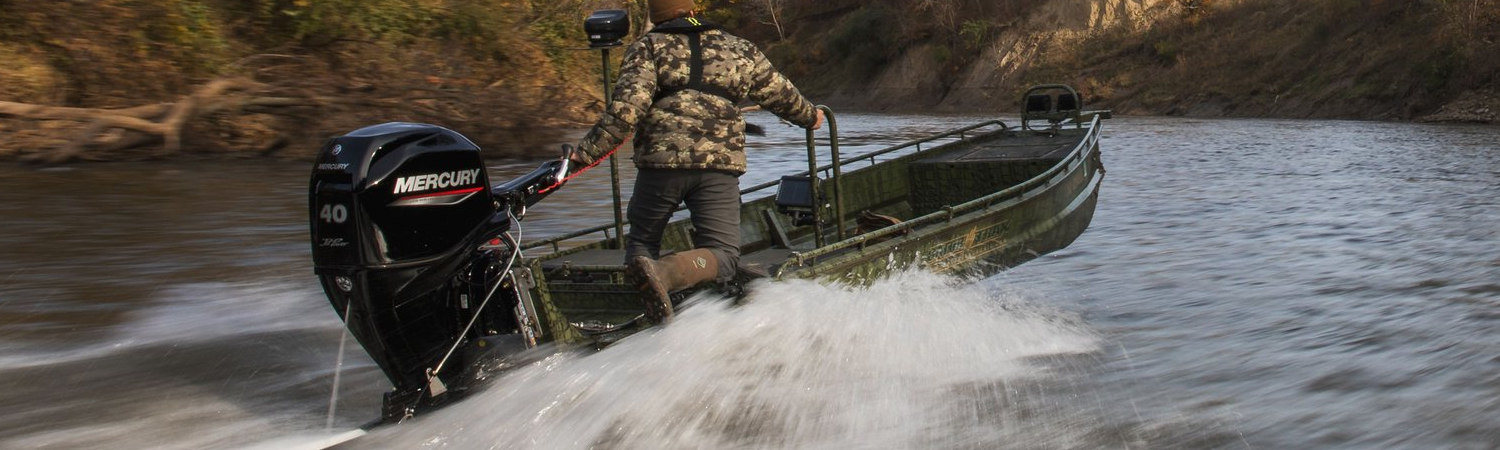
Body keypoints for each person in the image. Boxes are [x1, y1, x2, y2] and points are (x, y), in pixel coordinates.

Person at [569, 0, 823, 323]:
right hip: (718, 168)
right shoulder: (738, 49)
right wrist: (811, 117)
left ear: (655, 13)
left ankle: (644, 307)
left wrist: (584, 154)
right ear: (694, 9)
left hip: (660, 167)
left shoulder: (647, 48)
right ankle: (669, 276)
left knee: (642, 245)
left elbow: (624, 113)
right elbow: (781, 94)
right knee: (724, 255)